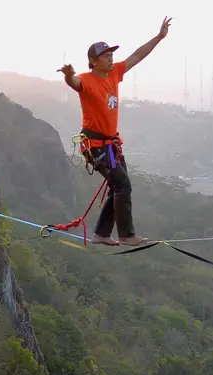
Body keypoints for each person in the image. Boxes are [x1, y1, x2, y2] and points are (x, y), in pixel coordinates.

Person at [57, 16, 172, 246]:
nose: (111, 60)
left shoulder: (115, 73)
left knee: (119, 185)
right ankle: (127, 235)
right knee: (122, 184)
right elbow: (74, 84)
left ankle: (101, 234)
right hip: (95, 145)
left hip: (111, 145)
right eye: (106, 56)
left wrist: (159, 37)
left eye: (111, 56)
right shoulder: (86, 81)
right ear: (93, 61)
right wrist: (68, 75)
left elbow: (137, 56)